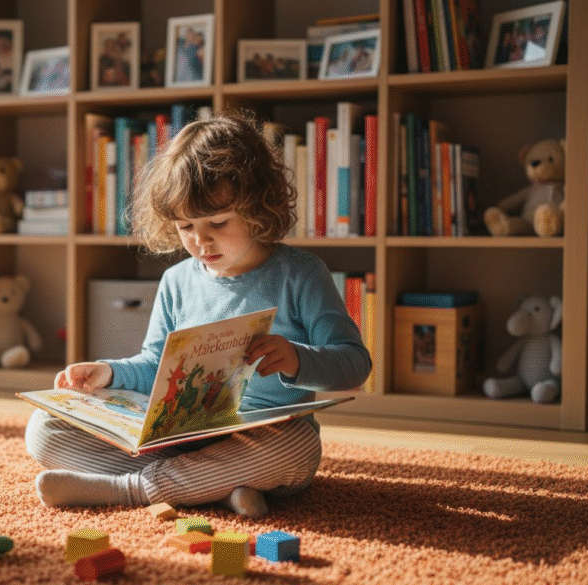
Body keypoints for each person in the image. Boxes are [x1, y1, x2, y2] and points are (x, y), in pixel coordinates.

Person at [24, 111, 371, 517]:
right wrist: (110, 373)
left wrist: (298, 360)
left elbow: (354, 364)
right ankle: (212, 488)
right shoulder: (176, 280)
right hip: (181, 436)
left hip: (261, 436)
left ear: (258, 206)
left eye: (218, 222)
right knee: (43, 429)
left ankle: (133, 489)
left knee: (298, 447)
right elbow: (156, 365)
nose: (200, 240)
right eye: (186, 226)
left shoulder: (301, 274)